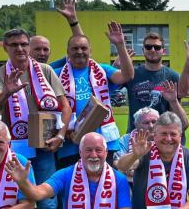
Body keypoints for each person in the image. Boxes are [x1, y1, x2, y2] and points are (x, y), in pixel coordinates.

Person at [0, 28, 72, 209]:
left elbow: (64, 105)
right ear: (5, 47)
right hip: (14, 150)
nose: (20, 49)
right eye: (14, 44)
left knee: (48, 204)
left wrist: (61, 134)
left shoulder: (44, 70)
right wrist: (8, 90)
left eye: (24, 44)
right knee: (14, 202)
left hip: (44, 149)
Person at [54, 20, 134, 167]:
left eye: (83, 48)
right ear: (68, 52)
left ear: (90, 51)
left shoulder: (102, 70)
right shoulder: (56, 74)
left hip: (103, 142)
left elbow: (127, 76)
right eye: (75, 48)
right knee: (73, 181)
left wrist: (120, 45)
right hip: (70, 145)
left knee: (104, 180)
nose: (79, 51)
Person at [125, 29, 184, 122]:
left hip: (162, 129)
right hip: (136, 130)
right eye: (148, 47)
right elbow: (107, 86)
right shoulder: (131, 74)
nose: (152, 50)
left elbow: (177, 113)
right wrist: (116, 65)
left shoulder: (173, 76)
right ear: (143, 50)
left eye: (157, 47)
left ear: (163, 51)